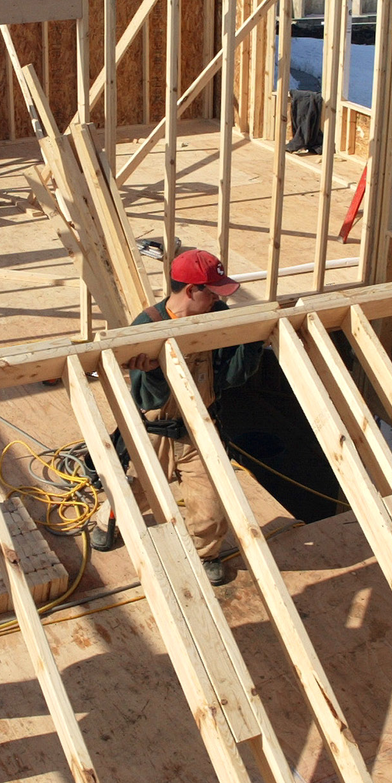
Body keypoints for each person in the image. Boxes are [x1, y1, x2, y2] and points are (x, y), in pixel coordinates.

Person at [121, 250, 263, 584]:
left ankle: (204, 553)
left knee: (211, 509)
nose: (217, 299)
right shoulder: (147, 327)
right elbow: (145, 397)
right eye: (212, 293)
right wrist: (154, 373)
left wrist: (250, 342)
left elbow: (231, 377)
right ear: (189, 290)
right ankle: (107, 520)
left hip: (199, 430)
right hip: (155, 431)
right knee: (133, 492)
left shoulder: (217, 316)